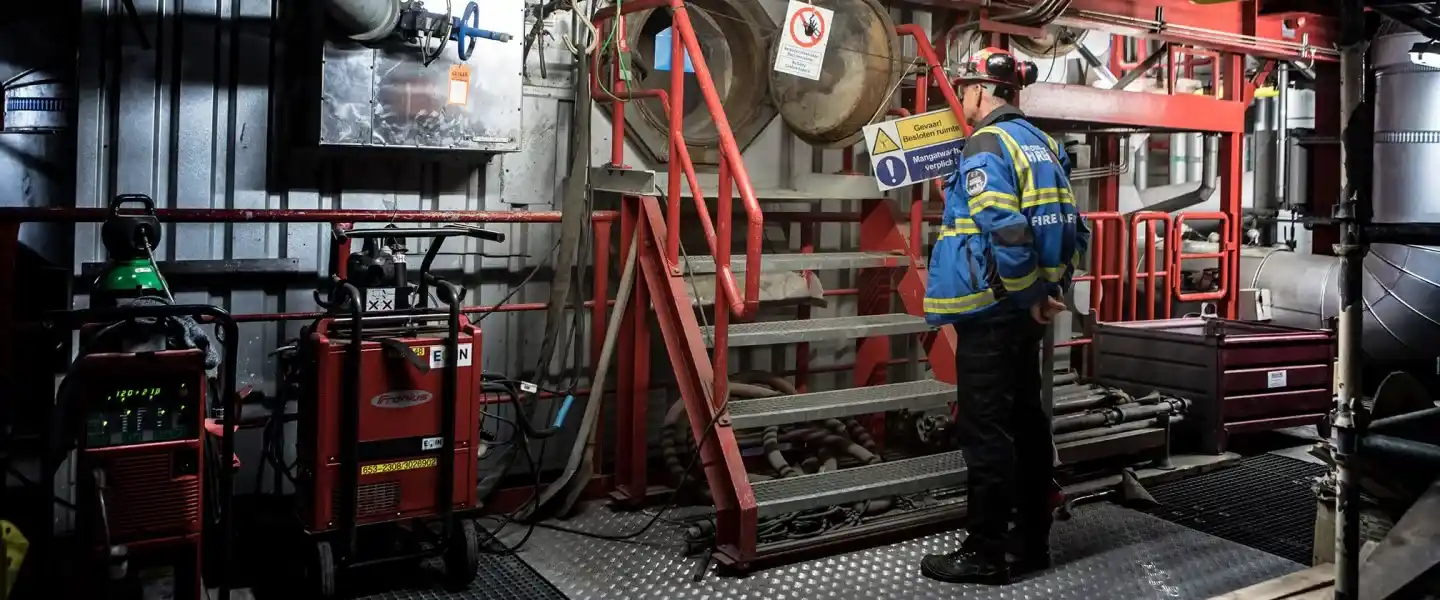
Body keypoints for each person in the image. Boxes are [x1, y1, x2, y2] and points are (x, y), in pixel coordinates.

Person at [918, 47, 1091, 585]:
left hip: (993, 309)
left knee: (985, 429)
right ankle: (1031, 540)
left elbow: (1005, 226)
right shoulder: (1041, 143)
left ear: (979, 91)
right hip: (1025, 310)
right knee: (1026, 423)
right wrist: (1048, 290)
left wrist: (1022, 292)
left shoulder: (987, 143)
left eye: (964, 88)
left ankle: (986, 551)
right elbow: (1073, 226)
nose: (961, 100)